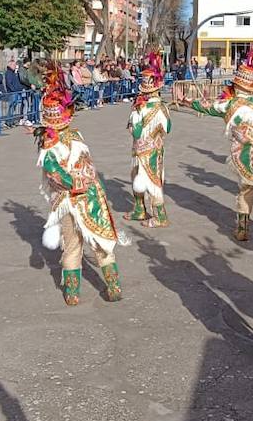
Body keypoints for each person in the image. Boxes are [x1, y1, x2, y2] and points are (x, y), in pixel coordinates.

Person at [36, 64, 124, 305]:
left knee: (74, 246)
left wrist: (78, 184)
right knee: (98, 243)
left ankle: (74, 293)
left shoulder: (54, 143)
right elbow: (56, 175)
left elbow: (56, 174)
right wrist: (82, 184)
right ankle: (111, 286)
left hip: (73, 198)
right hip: (81, 197)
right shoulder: (66, 139)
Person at [185, 33, 253, 242]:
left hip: (247, 152)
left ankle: (243, 228)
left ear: (236, 85)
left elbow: (206, 107)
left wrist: (187, 101)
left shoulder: (228, 104)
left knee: (247, 190)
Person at [128, 54, 172, 228]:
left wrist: (135, 117)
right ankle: (139, 210)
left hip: (142, 149)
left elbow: (136, 131)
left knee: (149, 180)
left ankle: (160, 216)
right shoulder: (163, 107)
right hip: (157, 149)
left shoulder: (141, 108)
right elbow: (168, 128)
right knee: (144, 177)